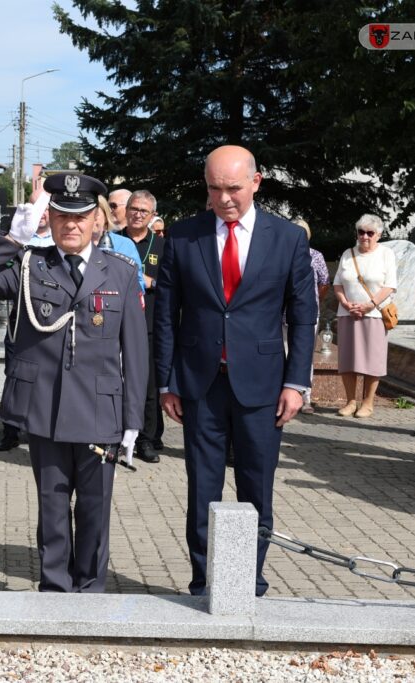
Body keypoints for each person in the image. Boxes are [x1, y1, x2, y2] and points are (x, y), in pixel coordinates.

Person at [0, 173, 147, 593]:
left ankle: (91, 590)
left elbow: (135, 351)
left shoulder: (118, 272)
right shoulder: (31, 265)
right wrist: (13, 236)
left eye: (80, 218)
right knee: (53, 507)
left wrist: (133, 420)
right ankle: (57, 590)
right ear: (52, 219)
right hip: (47, 409)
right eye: (61, 217)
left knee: (95, 510)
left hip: (101, 412)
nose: (71, 226)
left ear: (97, 221)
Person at [154, 145, 317, 597]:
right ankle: (207, 580)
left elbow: (303, 316)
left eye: (233, 188)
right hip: (199, 384)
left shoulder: (287, 238)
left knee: (256, 487)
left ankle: (248, 579)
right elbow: (167, 314)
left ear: (256, 182)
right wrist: (166, 381)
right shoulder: (184, 236)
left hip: (264, 386)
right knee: (202, 488)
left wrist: (296, 382)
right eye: (214, 188)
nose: (224, 198)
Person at [0, 187, 52, 452]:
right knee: (14, 374)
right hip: (20, 318)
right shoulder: (18, 238)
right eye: (32, 207)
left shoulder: (59, 241)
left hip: (50, 320)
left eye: (43, 207)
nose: (38, 213)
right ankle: (10, 430)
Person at [332, 214, 397, 418]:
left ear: (378, 234)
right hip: (348, 313)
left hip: (375, 315)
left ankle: (368, 402)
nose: (365, 236)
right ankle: (351, 401)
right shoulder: (348, 254)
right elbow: (337, 283)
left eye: (370, 233)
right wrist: (344, 302)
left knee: (372, 359)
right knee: (348, 359)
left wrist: (370, 305)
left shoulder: (386, 254)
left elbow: (390, 286)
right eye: (361, 232)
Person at [123, 190, 166, 463]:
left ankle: (146, 440)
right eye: (134, 208)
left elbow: (172, 285)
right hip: (115, 324)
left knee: (148, 386)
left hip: (148, 323)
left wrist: (150, 282)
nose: (138, 214)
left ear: (152, 216)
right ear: (127, 210)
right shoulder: (110, 240)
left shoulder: (163, 246)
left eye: (144, 211)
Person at [291, 218, 330, 413]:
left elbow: (324, 283)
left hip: (307, 314)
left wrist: (313, 302)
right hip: (281, 315)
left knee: (305, 356)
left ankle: (305, 397)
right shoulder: (281, 253)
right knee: (281, 354)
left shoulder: (315, 256)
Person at [95, 195, 145, 292]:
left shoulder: (125, 244)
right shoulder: (74, 243)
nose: (90, 218)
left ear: (106, 217)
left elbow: (138, 284)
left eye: (95, 214)